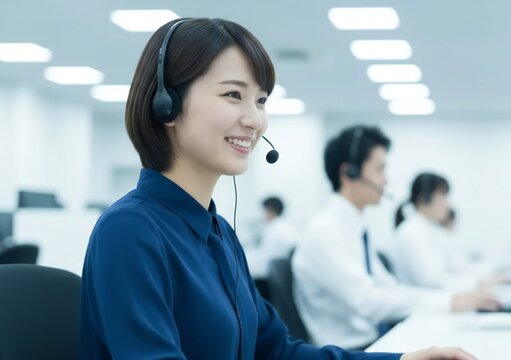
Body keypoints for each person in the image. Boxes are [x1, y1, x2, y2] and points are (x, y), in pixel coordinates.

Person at [80, 18, 476, 360]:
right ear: (165, 104)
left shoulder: (219, 235)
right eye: (233, 95)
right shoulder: (130, 231)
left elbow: (277, 352)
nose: (255, 120)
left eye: (262, 100)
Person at [293, 126, 500, 351]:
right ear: (349, 173)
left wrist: (451, 299)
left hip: (367, 344)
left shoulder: (353, 226)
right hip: (349, 351)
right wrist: (449, 301)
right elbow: (367, 302)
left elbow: (390, 288)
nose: (386, 180)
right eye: (380, 169)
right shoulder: (326, 231)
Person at [391, 173, 505, 292]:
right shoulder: (411, 233)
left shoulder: (430, 231)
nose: (447, 204)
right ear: (424, 199)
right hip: (425, 305)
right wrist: (478, 282)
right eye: (443, 197)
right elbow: (433, 282)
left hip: (436, 300)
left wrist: (480, 280)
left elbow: (456, 266)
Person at [260, 196, 299, 260]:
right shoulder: (286, 226)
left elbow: (266, 258)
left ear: (270, 210)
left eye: (265, 211)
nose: (263, 215)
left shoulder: (274, 229)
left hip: (276, 265)